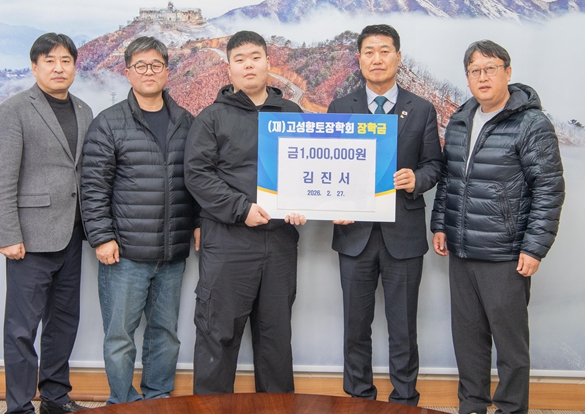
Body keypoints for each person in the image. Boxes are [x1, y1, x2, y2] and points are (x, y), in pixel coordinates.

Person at [431, 40, 565, 414]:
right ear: (467, 78)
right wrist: (440, 224)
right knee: (468, 341)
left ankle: (511, 409)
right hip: (461, 251)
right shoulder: (460, 120)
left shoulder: (531, 123)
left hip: (506, 254)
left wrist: (534, 247)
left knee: (510, 346)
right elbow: (448, 179)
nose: (483, 77)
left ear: (508, 72)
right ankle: (471, 406)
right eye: (475, 70)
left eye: (490, 68)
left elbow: (549, 188)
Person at [327, 24, 444, 405]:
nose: (377, 59)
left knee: (404, 329)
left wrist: (416, 179)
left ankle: (405, 401)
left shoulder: (421, 109)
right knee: (355, 328)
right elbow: (329, 166)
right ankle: (358, 399)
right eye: (369, 52)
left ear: (398, 56)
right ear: (359, 59)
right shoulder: (340, 108)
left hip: (403, 235)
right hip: (354, 235)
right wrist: (331, 204)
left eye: (384, 51)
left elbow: (434, 165)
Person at [184, 30, 306, 395]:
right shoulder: (211, 117)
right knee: (217, 335)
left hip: (279, 242)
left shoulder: (292, 114)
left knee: (276, 339)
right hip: (228, 241)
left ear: (269, 62)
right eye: (240, 59)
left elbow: (307, 170)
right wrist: (241, 210)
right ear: (229, 68)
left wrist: (305, 204)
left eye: (255, 57)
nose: (248, 65)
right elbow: (197, 175)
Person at [80, 36, 199, 405]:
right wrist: (101, 237)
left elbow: (197, 180)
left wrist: (197, 223)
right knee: (119, 336)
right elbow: (93, 187)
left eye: (156, 65)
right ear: (127, 71)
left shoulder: (187, 121)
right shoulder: (109, 123)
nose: (149, 72)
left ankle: (158, 397)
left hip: (172, 253)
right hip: (125, 254)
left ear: (167, 71)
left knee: (165, 334)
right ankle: (122, 402)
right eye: (140, 66)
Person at [0, 33, 92, 414]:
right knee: (22, 328)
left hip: (72, 234)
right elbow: (4, 176)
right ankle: (19, 405)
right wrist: (8, 234)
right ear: (35, 66)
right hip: (29, 238)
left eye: (66, 60)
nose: (58, 68)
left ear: (74, 66)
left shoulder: (84, 109)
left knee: (64, 321)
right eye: (50, 61)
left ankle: (55, 398)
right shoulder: (15, 109)